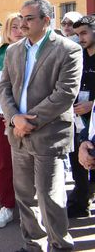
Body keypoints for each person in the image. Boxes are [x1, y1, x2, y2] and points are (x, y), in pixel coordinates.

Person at [0, 0, 81, 252]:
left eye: (29, 18)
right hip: (18, 134)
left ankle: (60, 245)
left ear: (46, 20)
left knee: (49, 197)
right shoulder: (13, 50)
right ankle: (33, 244)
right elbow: (3, 87)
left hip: (49, 134)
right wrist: (15, 118)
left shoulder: (68, 49)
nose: (22, 23)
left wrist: (28, 120)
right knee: (25, 196)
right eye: (21, 17)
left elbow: (65, 93)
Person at [0, 13, 24, 228]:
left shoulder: (33, 52)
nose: (18, 31)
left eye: (22, 26)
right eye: (14, 27)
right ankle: (7, 205)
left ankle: (30, 206)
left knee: (30, 164)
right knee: (4, 163)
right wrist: (6, 112)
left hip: (29, 118)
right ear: (7, 31)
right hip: (2, 116)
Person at [67, 15, 95, 218]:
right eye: (77, 35)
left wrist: (92, 105)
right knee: (76, 160)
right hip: (76, 121)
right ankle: (81, 199)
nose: (80, 38)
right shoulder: (78, 57)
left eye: (84, 33)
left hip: (93, 121)